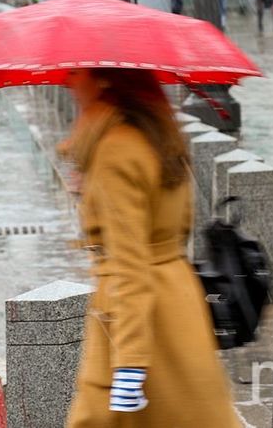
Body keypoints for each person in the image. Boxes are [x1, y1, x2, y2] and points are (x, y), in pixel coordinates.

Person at [61, 68, 240, 428]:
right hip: (179, 306)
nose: (68, 81)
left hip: (136, 319)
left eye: (77, 72)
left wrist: (129, 363)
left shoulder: (115, 148)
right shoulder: (158, 136)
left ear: (104, 79)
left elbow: (129, 263)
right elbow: (171, 225)